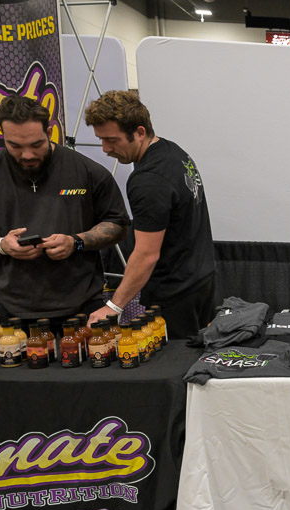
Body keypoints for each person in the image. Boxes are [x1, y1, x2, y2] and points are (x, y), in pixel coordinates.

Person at [84, 91, 216, 339]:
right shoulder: (172, 151)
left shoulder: (148, 181)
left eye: (112, 140)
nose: (105, 149)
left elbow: (146, 254)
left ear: (140, 132)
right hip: (201, 278)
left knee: (175, 361)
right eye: (101, 139)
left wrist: (113, 307)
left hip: (175, 292)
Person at [0, 95, 128, 326]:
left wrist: (75, 242)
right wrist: (2, 245)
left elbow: (117, 224)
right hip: (9, 308)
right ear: (3, 136)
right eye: (15, 146)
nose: (27, 155)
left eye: (36, 144)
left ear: (49, 132)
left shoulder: (88, 171)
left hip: (83, 306)